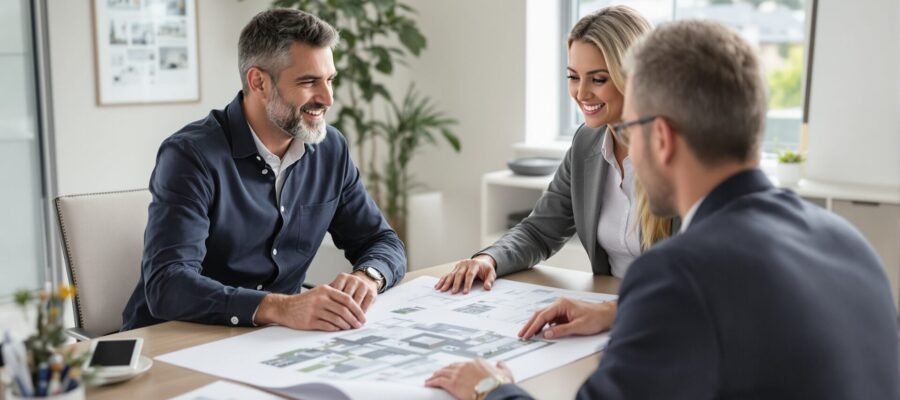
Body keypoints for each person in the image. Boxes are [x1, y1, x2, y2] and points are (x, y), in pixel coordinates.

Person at [427, 20, 900, 400]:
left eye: (632, 122)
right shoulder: (847, 242)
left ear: (662, 138)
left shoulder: (679, 276)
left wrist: (492, 388)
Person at [121, 9, 406, 332]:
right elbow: (168, 286)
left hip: (270, 340)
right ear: (259, 82)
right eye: (309, 81)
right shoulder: (190, 156)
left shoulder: (330, 149)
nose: (328, 98)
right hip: (176, 340)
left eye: (329, 80)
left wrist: (368, 276)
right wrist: (279, 306)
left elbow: (381, 240)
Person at [436, 6, 675, 334]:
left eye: (599, 79)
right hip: (612, 320)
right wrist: (489, 260)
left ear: (636, 77)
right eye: (573, 77)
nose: (581, 93)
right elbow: (540, 230)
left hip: (664, 321)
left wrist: (610, 312)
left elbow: (697, 279)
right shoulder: (587, 143)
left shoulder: (678, 153)